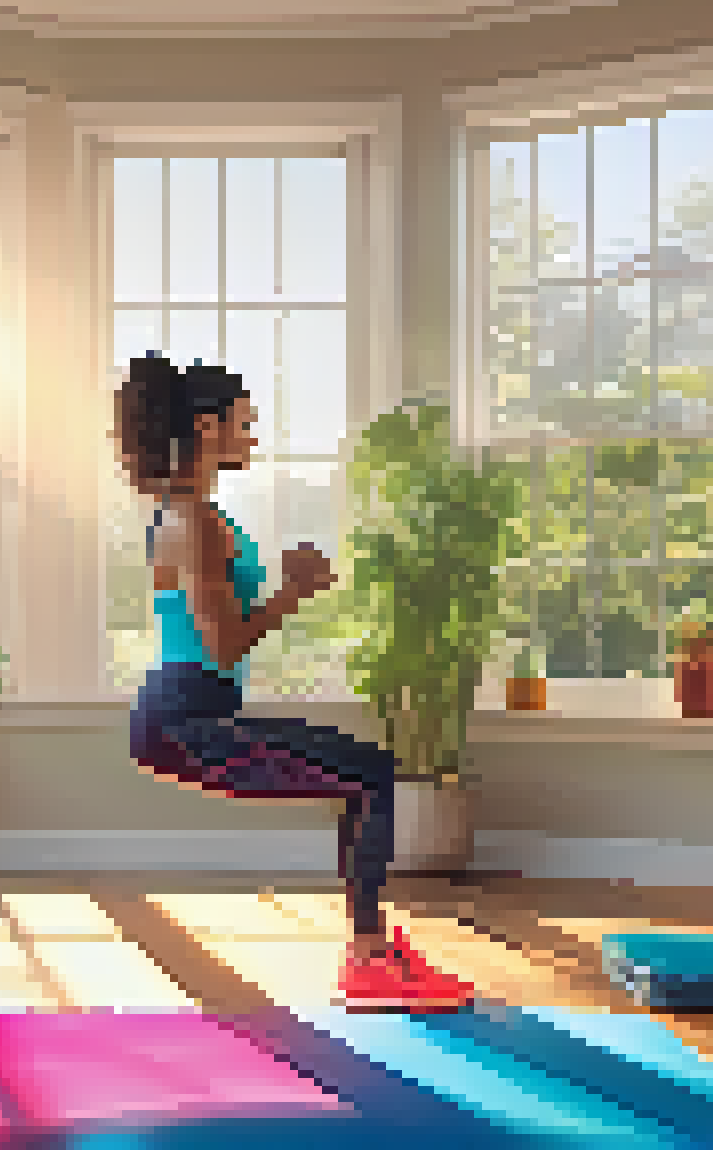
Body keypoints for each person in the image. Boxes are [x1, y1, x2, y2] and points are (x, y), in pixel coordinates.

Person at [113, 354, 475, 1012]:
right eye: (244, 425)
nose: (252, 437)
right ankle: (367, 958)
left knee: (366, 776)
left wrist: (286, 592)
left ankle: (370, 951)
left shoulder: (196, 514)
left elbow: (218, 632)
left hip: (191, 713)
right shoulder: (190, 519)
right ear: (206, 426)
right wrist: (294, 593)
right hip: (186, 720)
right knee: (370, 776)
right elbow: (222, 644)